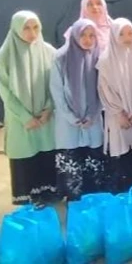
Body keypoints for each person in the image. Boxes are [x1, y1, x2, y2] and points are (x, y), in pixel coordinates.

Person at [0, 11, 57, 206]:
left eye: (35, 27)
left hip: (45, 118)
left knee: (46, 151)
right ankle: (28, 196)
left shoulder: (49, 52)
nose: (32, 33)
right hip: (20, 121)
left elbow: (56, 84)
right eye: (26, 27)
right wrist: (25, 117)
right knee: (26, 153)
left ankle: (48, 193)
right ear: (16, 28)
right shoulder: (4, 56)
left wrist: (49, 109)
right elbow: (5, 92)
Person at [51, 19, 106, 201]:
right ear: (74, 35)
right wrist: (72, 118)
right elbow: (57, 92)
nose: (88, 39)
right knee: (72, 163)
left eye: (92, 35)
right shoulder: (61, 58)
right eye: (83, 34)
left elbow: (102, 91)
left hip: (93, 121)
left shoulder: (98, 57)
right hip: (68, 123)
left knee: (93, 162)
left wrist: (93, 115)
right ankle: (74, 203)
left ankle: (92, 202)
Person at [97, 18, 132, 193]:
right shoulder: (105, 60)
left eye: (130, 33)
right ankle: (123, 189)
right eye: (122, 34)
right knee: (121, 150)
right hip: (117, 115)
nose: (126, 37)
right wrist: (119, 113)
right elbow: (104, 89)